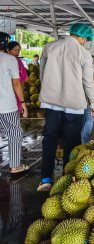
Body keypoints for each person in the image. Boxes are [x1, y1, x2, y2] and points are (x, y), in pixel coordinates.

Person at [38, 23, 94, 191]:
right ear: (84, 37)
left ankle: (45, 179)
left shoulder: (49, 47)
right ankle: (66, 178)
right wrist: (92, 104)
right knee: (71, 142)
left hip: (51, 103)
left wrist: (49, 91)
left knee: (49, 139)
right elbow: (88, 82)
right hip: (74, 105)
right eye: (86, 39)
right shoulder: (84, 54)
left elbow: (42, 74)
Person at [0, 32, 29, 174]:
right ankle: (15, 165)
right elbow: (16, 83)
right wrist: (23, 103)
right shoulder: (9, 59)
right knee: (14, 133)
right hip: (7, 105)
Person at [7, 41, 28, 113]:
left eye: (18, 50)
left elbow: (22, 82)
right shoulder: (4, 61)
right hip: (6, 96)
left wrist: (21, 99)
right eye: (15, 50)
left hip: (17, 96)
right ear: (8, 50)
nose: (17, 52)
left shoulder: (19, 62)